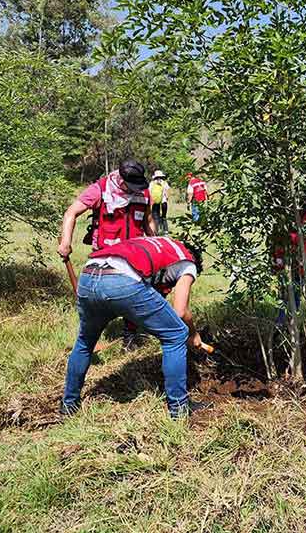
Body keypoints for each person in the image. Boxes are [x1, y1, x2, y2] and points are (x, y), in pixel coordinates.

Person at [60, 236, 209, 419]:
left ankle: (69, 405)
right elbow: (180, 311)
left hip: (89, 274)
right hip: (121, 280)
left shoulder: (159, 243)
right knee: (176, 334)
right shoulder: (187, 262)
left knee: (85, 341)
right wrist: (193, 334)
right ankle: (179, 408)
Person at [57, 159, 157, 349]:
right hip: (106, 255)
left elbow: (148, 220)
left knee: (135, 296)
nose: (136, 189)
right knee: (98, 300)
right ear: (121, 180)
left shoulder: (144, 193)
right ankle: (90, 336)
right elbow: (71, 213)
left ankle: (129, 337)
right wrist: (66, 242)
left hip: (135, 255)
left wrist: (155, 241)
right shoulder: (100, 190)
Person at [271, 203, 306, 325]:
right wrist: (276, 263)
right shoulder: (284, 216)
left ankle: (292, 322)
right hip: (285, 263)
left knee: (296, 294)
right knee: (283, 295)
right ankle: (280, 323)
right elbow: (276, 243)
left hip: (301, 264)